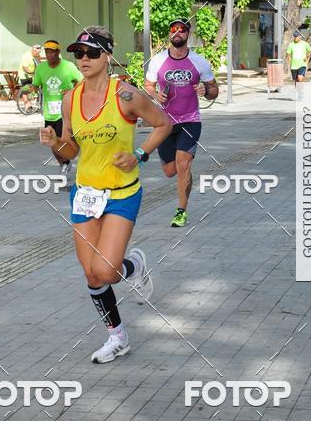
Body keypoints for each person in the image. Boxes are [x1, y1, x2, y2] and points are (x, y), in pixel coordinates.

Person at [40, 26, 171, 364]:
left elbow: (163, 124)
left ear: (107, 56)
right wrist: (54, 144)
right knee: (91, 273)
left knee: (108, 270)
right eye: (78, 53)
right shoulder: (70, 99)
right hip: (85, 193)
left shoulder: (126, 95)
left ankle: (134, 266)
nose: (83, 59)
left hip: (121, 193)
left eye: (92, 53)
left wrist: (139, 155)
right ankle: (117, 337)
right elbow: (70, 151)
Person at [144, 19, 219, 228]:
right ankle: (185, 176)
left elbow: (214, 90)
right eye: (173, 29)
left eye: (182, 29)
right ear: (170, 34)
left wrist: (206, 91)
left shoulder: (199, 62)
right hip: (165, 123)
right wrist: (155, 95)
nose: (177, 32)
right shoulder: (158, 61)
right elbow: (148, 85)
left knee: (182, 164)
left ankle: (181, 211)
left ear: (188, 34)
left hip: (190, 120)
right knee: (170, 171)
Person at [32, 39, 82, 181]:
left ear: (58, 52)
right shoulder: (41, 68)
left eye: (52, 52)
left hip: (65, 112)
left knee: (61, 140)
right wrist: (30, 89)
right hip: (49, 112)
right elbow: (35, 85)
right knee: (51, 142)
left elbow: (82, 82)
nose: (49, 54)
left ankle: (66, 163)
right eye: (47, 52)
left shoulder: (69, 66)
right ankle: (64, 163)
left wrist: (72, 91)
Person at [17, 43, 42, 110]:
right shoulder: (26, 56)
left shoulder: (36, 56)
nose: (38, 54)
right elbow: (25, 68)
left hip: (32, 75)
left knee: (32, 90)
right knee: (25, 90)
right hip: (24, 74)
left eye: (39, 53)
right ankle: (27, 106)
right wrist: (33, 72)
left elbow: (40, 64)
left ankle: (30, 103)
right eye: (37, 53)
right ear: (33, 50)